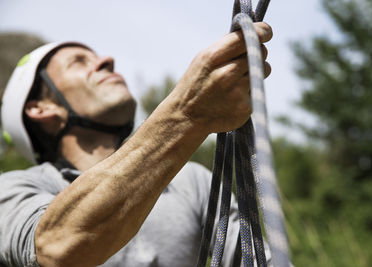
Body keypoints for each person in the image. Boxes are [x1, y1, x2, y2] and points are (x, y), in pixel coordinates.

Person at [0, 22, 272, 267]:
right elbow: (57, 248)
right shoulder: (13, 188)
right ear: (41, 108)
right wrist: (186, 114)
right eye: (78, 62)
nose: (107, 60)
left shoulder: (190, 180)